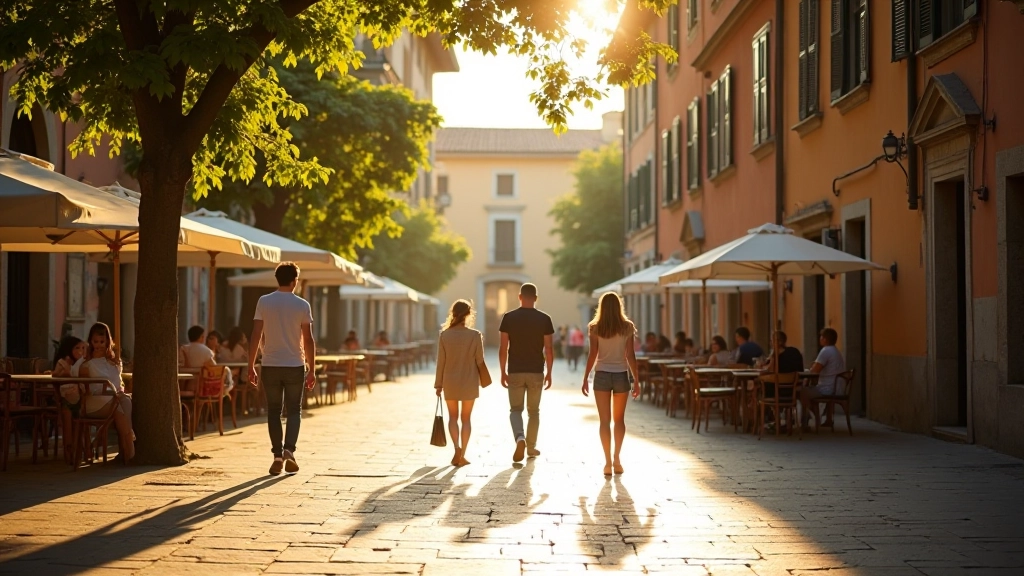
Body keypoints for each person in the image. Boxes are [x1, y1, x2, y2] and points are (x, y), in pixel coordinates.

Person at [248, 262, 316, 476]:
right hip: (295, 363)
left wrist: (250, 365)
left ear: (277, 278)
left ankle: (277, 455)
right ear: (294, 280)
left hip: (270, 364)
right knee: (294, 410)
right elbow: (308, 339)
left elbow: (255, 335)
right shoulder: (302, 304)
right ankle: (289, 451)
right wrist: (312, 368)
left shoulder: (264, 301)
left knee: (274, 411)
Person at [581, 292, 640, 476]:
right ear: (619, 306)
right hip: (621, 374)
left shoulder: (595, 327)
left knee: (604, 421)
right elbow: (630, 355)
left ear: (602, 307)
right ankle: (617, 459)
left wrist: (585, 377)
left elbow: (593, 354)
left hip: (602, 375)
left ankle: (607, 463)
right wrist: (636, 380)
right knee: (619, 420)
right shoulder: (627, 327)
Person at [498, 283, 554, 463]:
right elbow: (549, 349)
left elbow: (503, 348)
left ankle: (519, 438)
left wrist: (502, 371)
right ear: (536, 298)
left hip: (515, 370)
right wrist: (550, 372)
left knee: (515, 409)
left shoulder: (508, 317)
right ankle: (530, 447)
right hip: (536, 371)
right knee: (534, 411)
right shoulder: (545, 319)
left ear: (520, 297)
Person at [433, 300, 489, 468]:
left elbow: (440, 362)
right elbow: (480, 360)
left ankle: (456, 448)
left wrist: (438, 384)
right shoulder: (475, 335)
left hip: (450, 381)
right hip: (469, 381)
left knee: (452, 417)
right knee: (466, 419)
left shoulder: (444, 335)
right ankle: (462, 454)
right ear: (468, 314)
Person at [78, 322, 135, 463]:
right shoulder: (86, 364)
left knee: (123, 399)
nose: (98, 345)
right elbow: (85, 389)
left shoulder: (114, 362)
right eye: (95, 341)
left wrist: (117, 393)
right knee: (122, 400)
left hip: (115, 400)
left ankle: (128, 447)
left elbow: (118, 384)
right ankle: (130, 443)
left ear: (107, 341)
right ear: (91, 341)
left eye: (102, 342)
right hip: (95, 403)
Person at [799, 328, 846, 429]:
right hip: (837, 387)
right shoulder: (836, 351)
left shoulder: (826, 351)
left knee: (801, 392)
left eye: (821, 337)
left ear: (825, 339)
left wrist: (812, 368)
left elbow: (815, 370)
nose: (820, 339)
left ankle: (811, 418)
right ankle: (828, 419)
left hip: (828, 389)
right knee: (809, 389)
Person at [180, 325, 233, 395]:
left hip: (184, 386)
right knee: (227, 376)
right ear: (201, 337)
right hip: (203, 387)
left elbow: (181, 365)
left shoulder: (183, 349)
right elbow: (214, 369)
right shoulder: (207, 351)